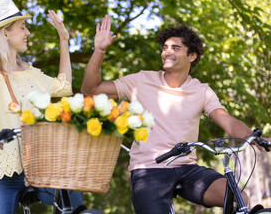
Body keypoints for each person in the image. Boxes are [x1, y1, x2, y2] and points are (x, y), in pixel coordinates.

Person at [81, 15, 269, 214]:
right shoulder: (141, 80)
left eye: (175, 48)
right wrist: (100, 50)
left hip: (187, 168)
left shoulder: (201, 90)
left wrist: (254, 138)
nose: (167, 52)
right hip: (149, 169)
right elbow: (90, 90)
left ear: (192, 56)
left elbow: (228, 121)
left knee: (237, 197)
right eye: (165, 48)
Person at [0, 0, 82, 214]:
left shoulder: (30, 72)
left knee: (71, 188)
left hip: (42, 163)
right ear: (5, 33)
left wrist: (64, 40)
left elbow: (64, 87)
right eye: (22, 28)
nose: (28, 32)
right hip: (3, 171)